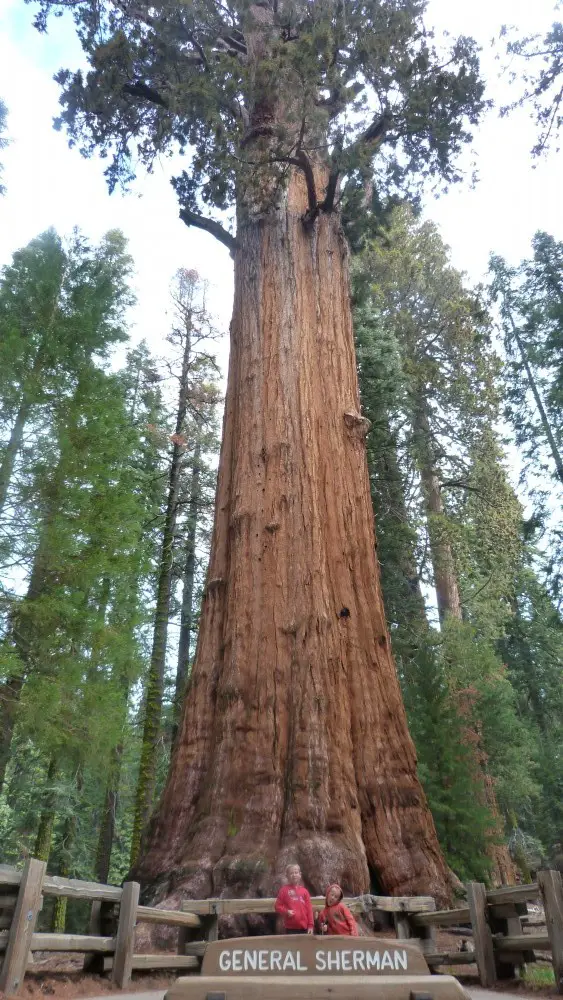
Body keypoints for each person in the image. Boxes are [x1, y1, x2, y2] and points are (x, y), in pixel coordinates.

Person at [275, 864, 314, 934]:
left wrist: (310, 925)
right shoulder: (283, 890)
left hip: (304, 927)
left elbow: (309, 909)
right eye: (291, 873)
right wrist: (286, 912)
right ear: (287, 876)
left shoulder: (305, 891)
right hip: (290, 927)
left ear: (300, 874)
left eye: (296, 872)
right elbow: (277, 906)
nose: (294, 875)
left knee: (304, 945)